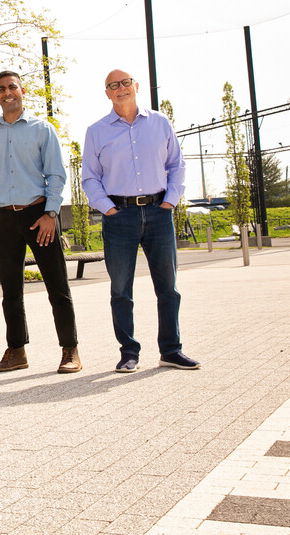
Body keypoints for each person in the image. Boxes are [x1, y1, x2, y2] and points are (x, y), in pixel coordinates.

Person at [82, 69, 200, 372]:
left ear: (136, 86)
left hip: (159, 212)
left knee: (168, 287)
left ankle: (171, 350)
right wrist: (107, 208)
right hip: (119, 217)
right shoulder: (96, 131)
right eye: (113, 85)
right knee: (121, 289)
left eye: (125, 83)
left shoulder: (160, 123)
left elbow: (176, 164)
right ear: (107, 93)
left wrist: (171, 200)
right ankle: (129, 352)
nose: (121, 89)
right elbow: (90, 178)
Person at [0, 71, 82, 374]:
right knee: (10, 290)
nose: (7, 92)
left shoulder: (42, 129)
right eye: (1, 89)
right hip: (3, 218)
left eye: (12, 87)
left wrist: (50, 214)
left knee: (57, 285)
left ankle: (70, 349)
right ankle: (17, 351)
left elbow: (56, 175)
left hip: (39, 216)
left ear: (22, 91)